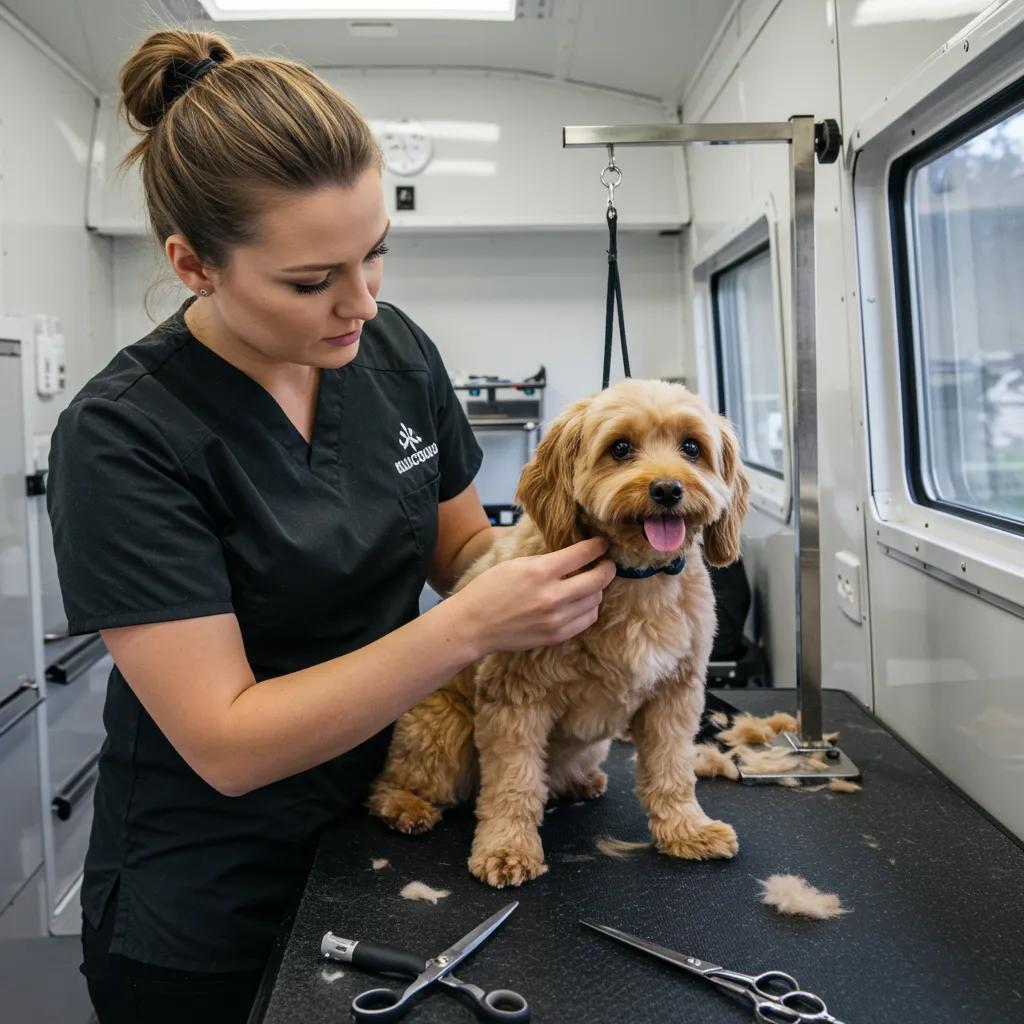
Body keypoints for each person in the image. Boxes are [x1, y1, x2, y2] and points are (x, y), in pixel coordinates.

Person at [46, 28, 615, 1024]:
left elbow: (457, 545)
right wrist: (474, 625)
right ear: (194, 265)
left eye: (375, 255)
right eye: (312, 282)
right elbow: (226, 740)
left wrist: (537, 577)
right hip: (209, 895)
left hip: (386, 819)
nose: (359, 303)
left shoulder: (392, 352)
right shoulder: (124, 436)